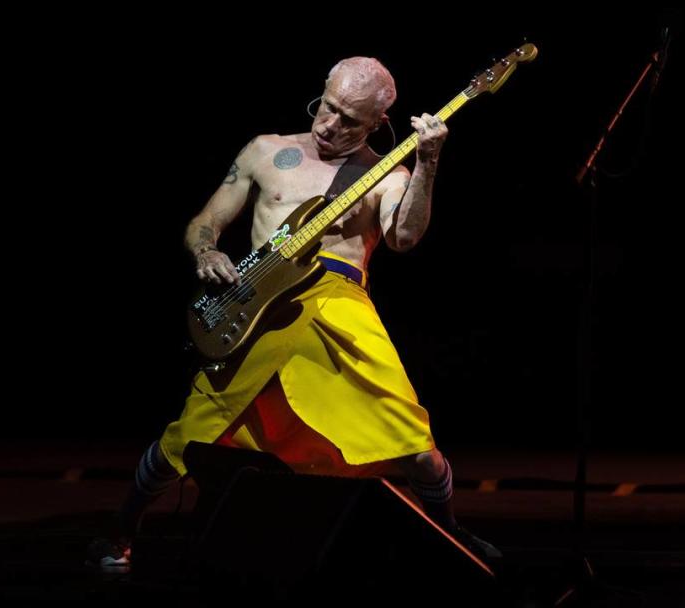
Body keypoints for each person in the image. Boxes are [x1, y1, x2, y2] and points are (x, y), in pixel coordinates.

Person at [88, 56, 500, 571]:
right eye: (328, 108)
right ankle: (121, 529)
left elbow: (406, 237)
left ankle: (452, 533)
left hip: (337, 307)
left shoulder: (385, 174)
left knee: (413, 442)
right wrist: (207, 252)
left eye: (351, 121)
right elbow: (206, 222)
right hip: (256, 308)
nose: (331, 125)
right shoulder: (267, 150)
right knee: (190, 434)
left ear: (378, 124)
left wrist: (429, 164)